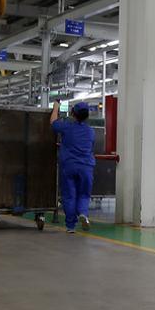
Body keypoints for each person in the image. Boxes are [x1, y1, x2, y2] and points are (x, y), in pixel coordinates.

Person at [50, 100, 96, 234]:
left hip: (69, 166)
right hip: (86, 167)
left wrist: (56, 107)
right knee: (84, 194)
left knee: (69, 195)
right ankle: (83, 213)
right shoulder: (91, 132)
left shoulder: (67, 127)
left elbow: (53, 122)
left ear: (72, 114)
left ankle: (71, 226)